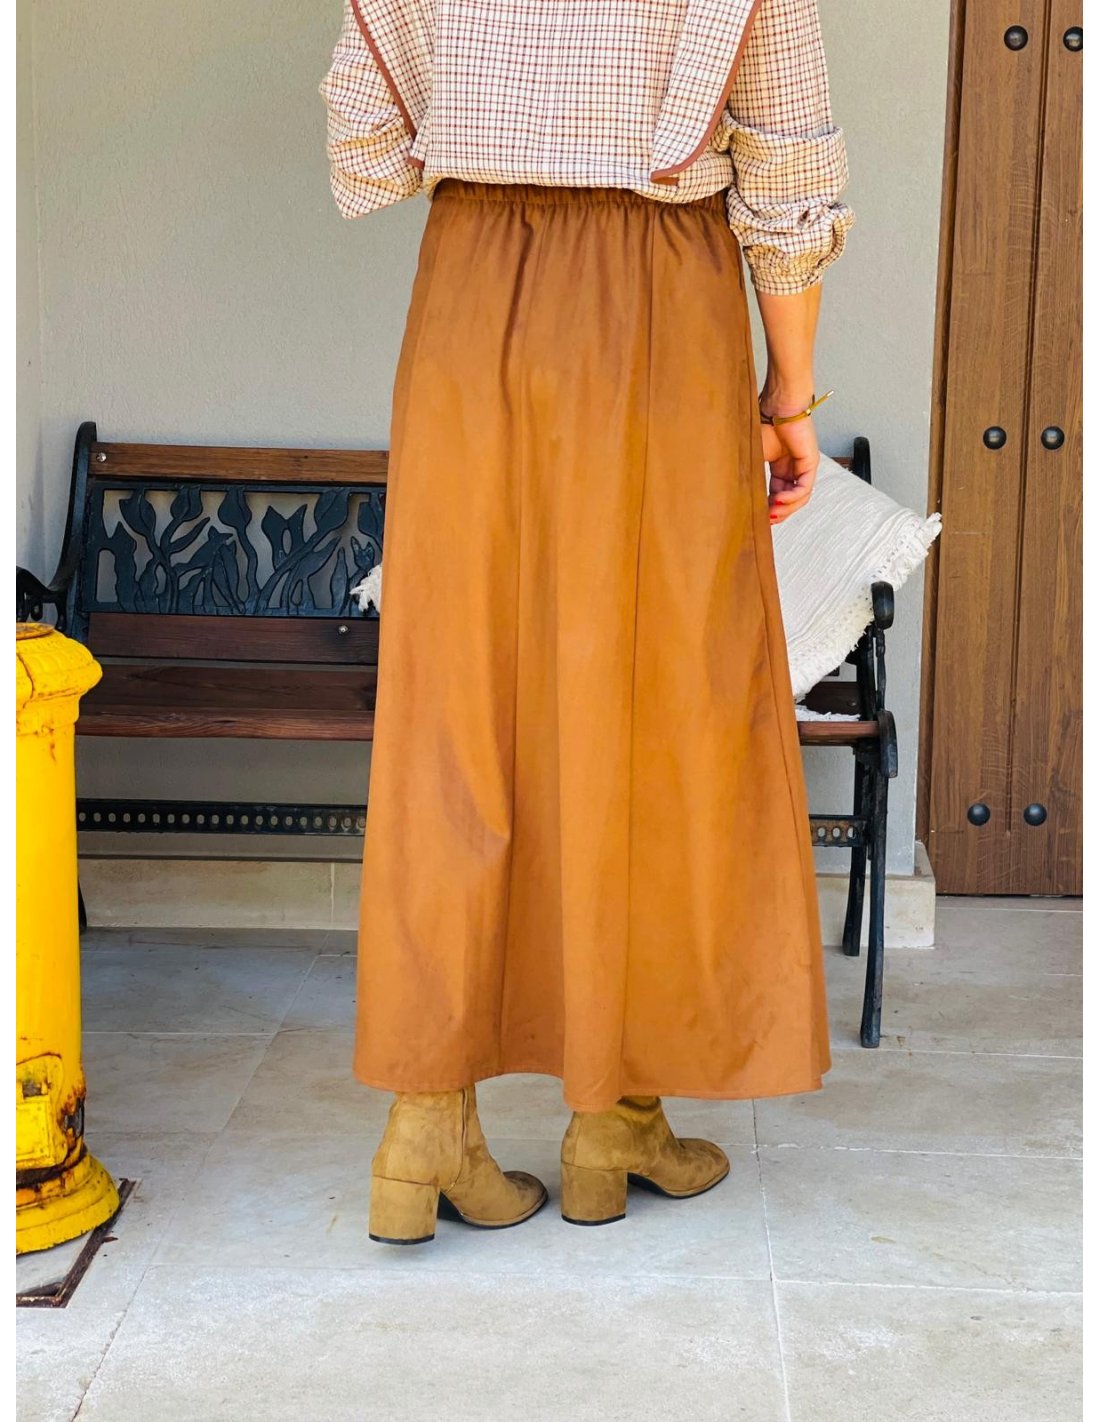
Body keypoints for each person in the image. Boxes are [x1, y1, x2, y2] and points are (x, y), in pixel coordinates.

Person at [319, 0, 854, 1245]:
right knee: (661, 694)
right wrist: (787, 394)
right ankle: (614, 1116)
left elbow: (364, 125)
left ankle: (425, 1123)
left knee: (459, 703)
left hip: (467, 293)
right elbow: (787, 161)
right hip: (658, 301)